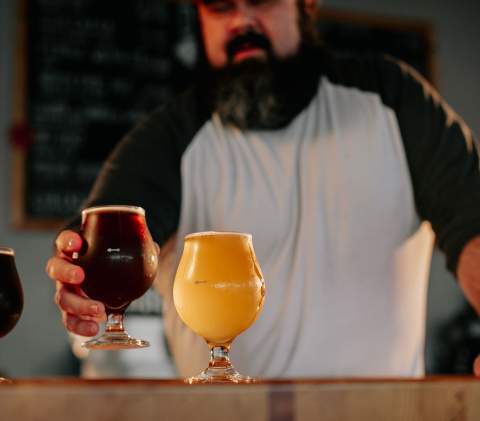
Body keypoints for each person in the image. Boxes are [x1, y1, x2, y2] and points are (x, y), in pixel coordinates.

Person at [46, 0, 480, 378]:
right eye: (220, 6)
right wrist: (81, 280)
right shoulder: (171, 137)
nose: (241, 20)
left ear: (305, 3)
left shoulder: (391, 98)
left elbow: (471, 221)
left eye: (262, 0)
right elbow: (102, 239)